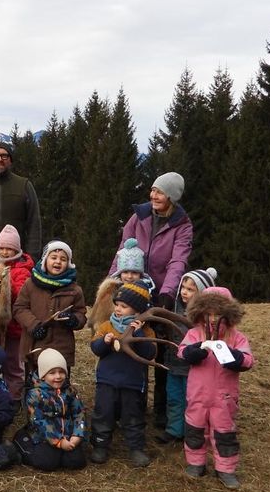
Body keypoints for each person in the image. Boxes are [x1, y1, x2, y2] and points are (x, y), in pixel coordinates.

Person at [109, 172, 193, 428]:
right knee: (133, 345)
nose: (153, 196)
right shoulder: (139, 216)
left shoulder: (182, 225)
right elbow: (122, 250)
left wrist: (167, 293)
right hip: (130, 291)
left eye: (159, 192)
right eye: (153, 190)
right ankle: (133, 406)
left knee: (160, 350)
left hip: (160, 295)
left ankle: (162, 411)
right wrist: (111, 284)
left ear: (172, 197)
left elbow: (178, 260)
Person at [178, 287, 254, 490]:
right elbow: (182, 352)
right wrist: (197, 351)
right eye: (209, 313)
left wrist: (233, 357)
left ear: (228, 313)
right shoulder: (194, 334)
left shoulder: (236, 338)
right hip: (198, 396)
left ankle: (226, 469)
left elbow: (247, 361)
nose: (213, 318)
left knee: (224, 433)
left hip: (224, 397)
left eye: (218, 313)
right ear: (200, 312)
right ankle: (196, 463)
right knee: (195, 430)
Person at [89, 281, 156, 467]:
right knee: (103, 414)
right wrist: (104, 341)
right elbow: (95, 348)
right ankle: (100, 445)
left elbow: (150, 353)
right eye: (117, 305)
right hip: (107, 382)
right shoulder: (106, 326)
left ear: (137, 311)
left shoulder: (145, 330)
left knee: (133, 416)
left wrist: (138, 333)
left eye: (124, 306)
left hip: (132, 383)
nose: (118, 309)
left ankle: (136, 448)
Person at [157, 267, 217, 445]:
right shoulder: (174, 311)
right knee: (174, 398)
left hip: (194, 369)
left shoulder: (207, 319)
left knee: (193, 401)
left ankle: (193, 432)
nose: (184, 291)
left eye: (191, 289)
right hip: (174, 365)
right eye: (183, 286)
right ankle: (174, 430)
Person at [13, 241, 86, 374]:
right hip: (34, 347)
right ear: (45, 260)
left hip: (61, 348)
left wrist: (73, 319)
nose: (58, 262)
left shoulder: (75, 289)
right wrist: (33, 325)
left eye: (63, 259)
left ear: (68, 263)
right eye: (54, 258)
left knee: (60, 385)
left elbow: (81, 313)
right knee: (34, 387)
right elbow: (19, 308)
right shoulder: (31, 284)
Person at [13, 348, 87, 472]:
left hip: (67, 435)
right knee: (47, 462)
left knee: (76, 462)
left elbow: (79, 413)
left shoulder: (69, 391)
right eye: (52, 373)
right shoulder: (35, 394)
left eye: (61, 372)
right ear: (43, 375)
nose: (58, 376)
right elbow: (39, 421)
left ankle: (62, 450)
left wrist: (77, 435)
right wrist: (57, 441)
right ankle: (22, 443)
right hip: (44, 435)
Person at [0, 224, 35, 402]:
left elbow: (21, 295)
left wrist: (5, 288)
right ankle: (0, 395)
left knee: (14, 364)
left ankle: (15, 398)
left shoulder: (21, 271)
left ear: (16, 249)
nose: (4, 252)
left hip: (15, 328)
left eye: (9, 248)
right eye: (1, 247)